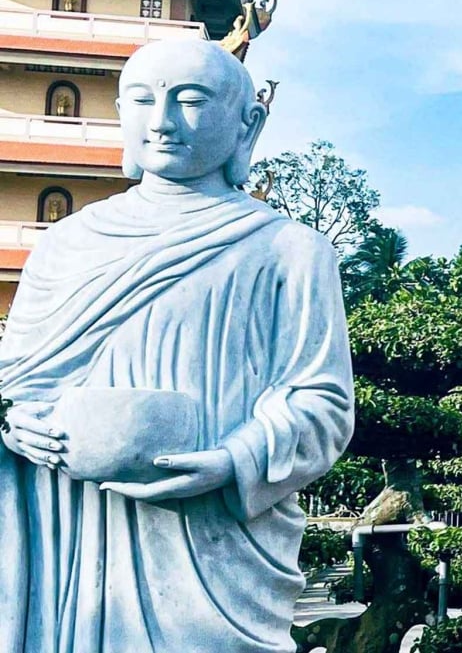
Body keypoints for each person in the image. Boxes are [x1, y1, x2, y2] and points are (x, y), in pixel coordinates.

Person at [0, 39, 355, 653]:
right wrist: (16, 424)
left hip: (212, 541)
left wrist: (234, 461)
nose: (162, 121)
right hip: (73, 531)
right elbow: (16, 383)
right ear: (120, 113)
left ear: (250, 124)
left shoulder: (287, 250)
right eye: (142, 100)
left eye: (190, 100)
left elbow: (322, 404)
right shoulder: (65, 244)